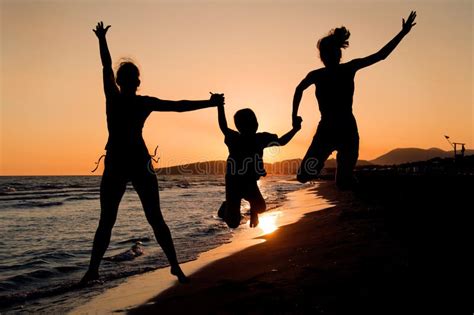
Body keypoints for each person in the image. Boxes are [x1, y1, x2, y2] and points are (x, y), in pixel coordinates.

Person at [81, 22, 224, 284]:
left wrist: (102, 40)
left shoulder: (116, 98)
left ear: (125, 81)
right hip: (132, 161)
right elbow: (178, 106)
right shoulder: (135, 100)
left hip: (122, 161)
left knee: (112, 220)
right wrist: (211, 103)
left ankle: (94, 270)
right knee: (148, 218)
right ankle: (172, 267)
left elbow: (106, 68)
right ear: (136, 81)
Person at [292, 11, 417, 189]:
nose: (329, 57)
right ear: (323, 56)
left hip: (346, 132)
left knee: (342, 184)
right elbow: (298, 89)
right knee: (303, 176)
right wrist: (294, 117)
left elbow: (381, 55)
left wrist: (403, 33)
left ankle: (354, 181)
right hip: (327, 130)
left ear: (337, 54)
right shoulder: (317, 75)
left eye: (332, 53)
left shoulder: (347, 69)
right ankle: (337, 169)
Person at [217, 103, 302, 228]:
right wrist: (220, 106)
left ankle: (250, 211)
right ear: (240, 127)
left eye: (255, 121)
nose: (254, 125)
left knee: (261, 207)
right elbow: (223, 126)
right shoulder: (234, 138)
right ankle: (226, 206)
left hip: (250, 182)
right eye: (249, 123)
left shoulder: (261, 138)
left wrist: (295, 129)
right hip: (233, 182)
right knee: (233, 223)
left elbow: (281, 141)